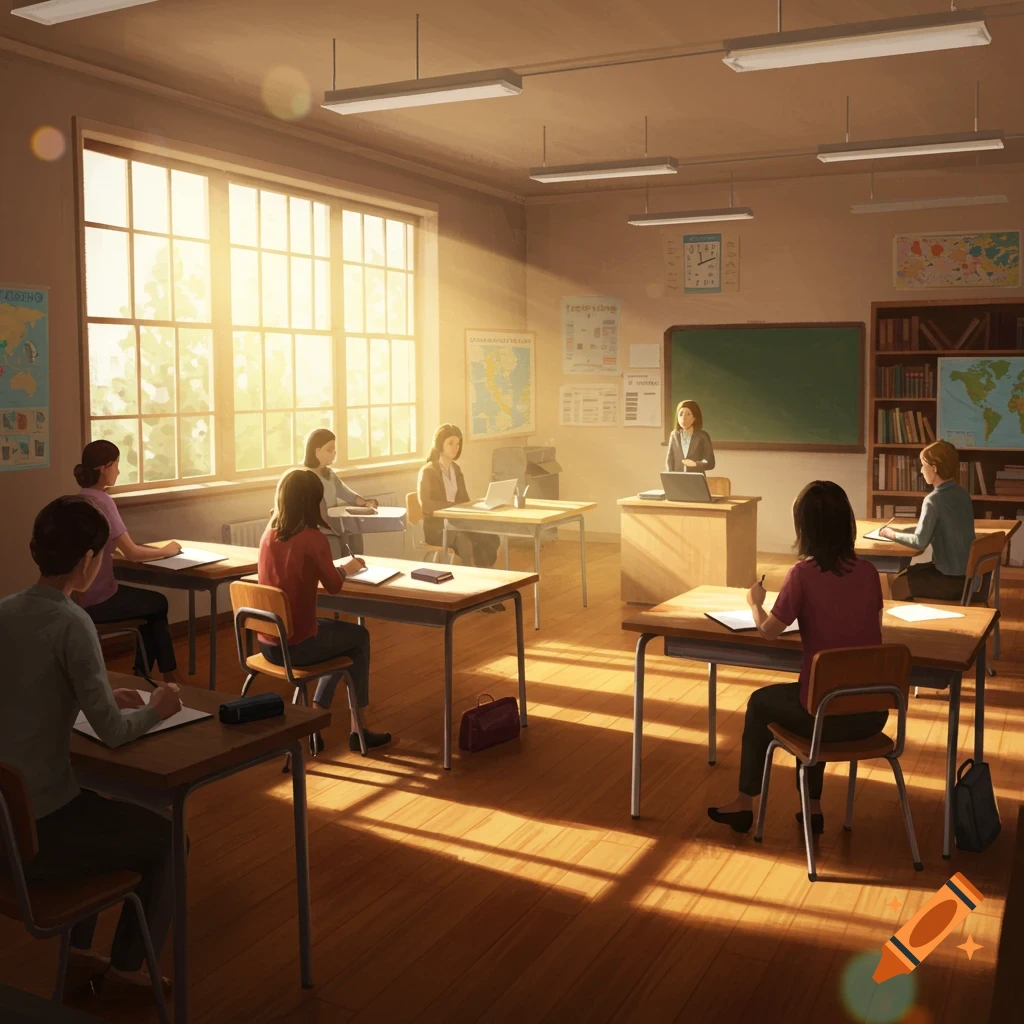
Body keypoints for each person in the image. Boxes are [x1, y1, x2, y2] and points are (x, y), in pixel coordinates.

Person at [0, 496, 183, 1000]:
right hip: (39, 837)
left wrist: (95, 695)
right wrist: (157, 708)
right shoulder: (72, 621)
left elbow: (27, 694)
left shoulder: (6, 610)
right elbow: (116, 733)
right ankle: (126, 971)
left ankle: (80, 956)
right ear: (86, 560)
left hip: (4, 829)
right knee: (168, 838)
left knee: (100, 811)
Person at [708, 481, 889, 836]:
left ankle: (744, 804)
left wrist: (755, 603)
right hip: (872, 713)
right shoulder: (869, 573)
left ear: (803, 527)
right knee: (823, 696)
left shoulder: (802, 575)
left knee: (767, 703)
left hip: (826, 715)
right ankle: (813, 808)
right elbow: (873, 629)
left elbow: (769, 631)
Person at [257, 468, 391, 753]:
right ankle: (358, 729)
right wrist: (348, 567)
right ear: (313, 502)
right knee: (358, 638)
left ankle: (317, 716)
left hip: (269, 641)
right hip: (297, 646)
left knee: (338, 638)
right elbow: (333, 585)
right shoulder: (312, 538)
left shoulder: (269, 534)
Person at [75, 440, 181, 682]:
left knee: (150, 607)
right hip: (100, 598)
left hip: (80, 596)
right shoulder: (103, 501)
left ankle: (147, 674)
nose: (119, 471)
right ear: (104, 468)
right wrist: (166, 550)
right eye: (116, 465)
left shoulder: (80, 499)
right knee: (158, 603)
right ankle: (166, 677)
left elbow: (110, 547)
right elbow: (132, 553)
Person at [417, 424, 503, 611]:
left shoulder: (456, 469)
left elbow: (464, 500)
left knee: (489, 538)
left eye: (458, 443)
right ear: (440, 445)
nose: (455, 448)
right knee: (466, 541)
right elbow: (427, 505)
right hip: (436, 526)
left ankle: (485, 592)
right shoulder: (428, 471)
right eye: (450, 443)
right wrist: (453, 507)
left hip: (456, 522)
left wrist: (477, 506)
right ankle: (474, 594)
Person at [881, 440, 977, 602]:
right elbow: (937, 527)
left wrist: (891, 534)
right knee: (910, 572)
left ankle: (907, 626)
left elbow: (919, 542)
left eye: (923, 465)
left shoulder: (933, 500)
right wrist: (904, 531)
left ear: (934, 468)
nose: (920, 470)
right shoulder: (962, 494)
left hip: (952, 581)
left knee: (899, 584)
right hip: (970, 578)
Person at [302, 427, 378, 559]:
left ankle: (354, 570)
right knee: (335, 545)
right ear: (317, 451)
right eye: (329, 449)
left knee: (355, 534)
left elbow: (346, 493)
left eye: (334, 449)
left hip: (335, 522)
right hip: (320, 527)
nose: (334, 453)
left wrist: (365, 503)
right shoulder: (305, 477)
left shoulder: (330, 474)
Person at [665, 399, 715, 474]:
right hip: (677, 480)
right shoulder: (674, 435)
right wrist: (670, 476)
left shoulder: (703, 436)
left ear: (695, 417)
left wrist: (696, 464)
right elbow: (669, 460)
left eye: (688, 414)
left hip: (695, 480)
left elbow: (710, 462)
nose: (684, 417)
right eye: (681, 414)